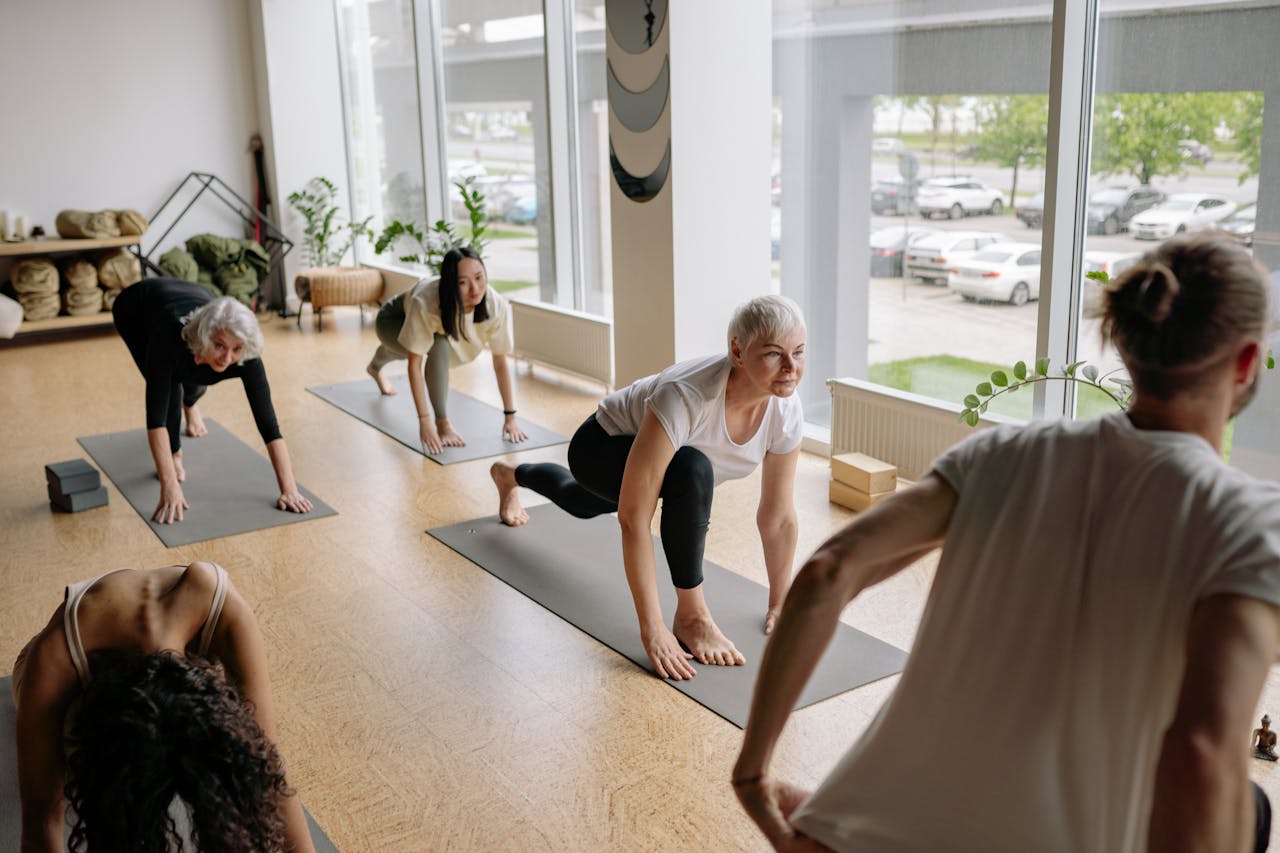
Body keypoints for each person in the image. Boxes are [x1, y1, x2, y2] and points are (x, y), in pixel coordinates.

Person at [733, 232, 1280, 852]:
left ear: (1126, 346)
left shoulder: (1003, 453)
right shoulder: (1247, 521)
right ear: (1243, 361)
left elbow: (829, 571)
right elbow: (1201, 757)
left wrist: (753, 770)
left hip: (850, 837)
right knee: (1250, 811)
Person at [491, 294, 806, 680]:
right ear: (738, 352)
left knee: (581, 501)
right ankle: (691, 616)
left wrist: (780, 601)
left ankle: (510, 475)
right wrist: (652, 627)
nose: (791, 367)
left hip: (659, 461)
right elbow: (633, 519)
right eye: (775, 354)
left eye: (799, 352)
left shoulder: (785, 409)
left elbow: (778, 517)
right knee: (691, 469)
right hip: (600, 446)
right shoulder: (687, 395)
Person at [13, 561, 315, 852]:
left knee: (240, 740)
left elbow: (267, 765)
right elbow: (41, 820)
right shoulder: (55, 655)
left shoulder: (222, 605)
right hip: (46, 669)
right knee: (74, 763)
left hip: (145, 663)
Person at [112, 277, 313, 524]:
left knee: (196, 381)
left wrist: (289, 489)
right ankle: (175, 453)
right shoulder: (169, 340)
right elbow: (156, 419)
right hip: (136, 308)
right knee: (169, 385)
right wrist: (169, 483)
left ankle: (191, 404)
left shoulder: (245, 354)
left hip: (196, 294)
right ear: (207, 337)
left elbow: (269, 425)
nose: (228, 357)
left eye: (236, 348)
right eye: (219, 346)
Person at [366, 246, 527, 453]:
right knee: (434, 345)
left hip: (411, 326)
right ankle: (443, 424)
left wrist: (510, 417)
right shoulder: (426, 302)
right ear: (450, 284)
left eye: (479, 277)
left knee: (406, 349)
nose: (475, 289)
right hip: (391, 320)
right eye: (463, 282)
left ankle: (374, 368)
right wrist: (425, 422)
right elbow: (415, 365)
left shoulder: (496, 305)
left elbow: (500, 362)